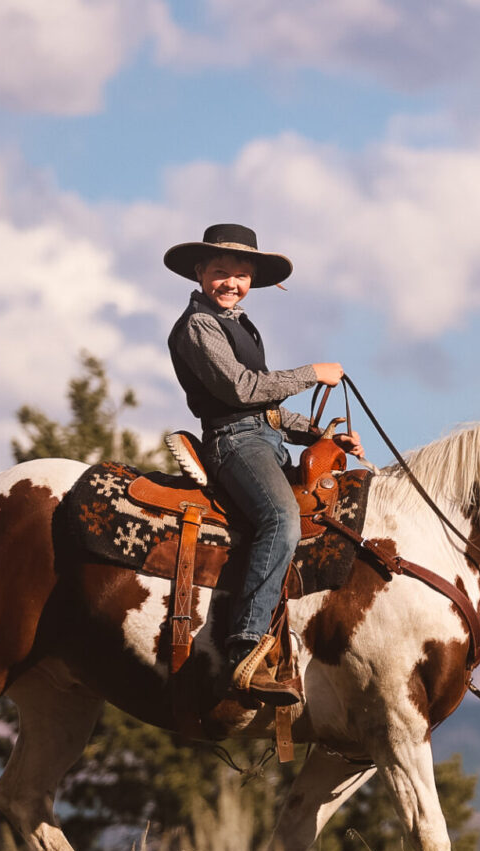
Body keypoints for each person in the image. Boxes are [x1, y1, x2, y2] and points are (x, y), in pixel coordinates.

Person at [163, 223, 362, 704]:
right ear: (199, 273)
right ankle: (245, 647)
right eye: (220, 272)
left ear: (252, 278)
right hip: (234, 443)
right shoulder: (198, 326)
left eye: (240, 274)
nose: (230, 283)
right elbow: (242, 391)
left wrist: (320, 435)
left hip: (263, 439)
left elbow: (266, 408)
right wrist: (310, 374)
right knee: (281, 519)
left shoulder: (239, 324)